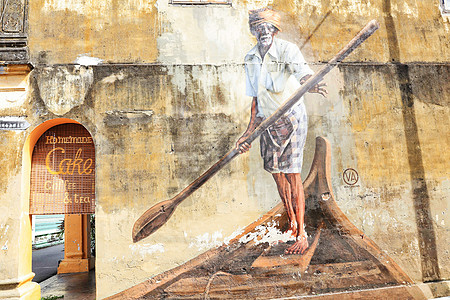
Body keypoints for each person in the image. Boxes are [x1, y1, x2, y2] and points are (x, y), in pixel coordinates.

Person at [236, 8, 327, 255]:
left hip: (291, 120)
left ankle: (302, 234)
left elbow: (304, 75)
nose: (263, 31)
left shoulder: (287, 50)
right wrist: (248, 132)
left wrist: (312, 84)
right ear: (253, 31)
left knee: (292, 174)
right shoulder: (251, 58)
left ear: (275, 30)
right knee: (277, 174)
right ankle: (292, 224)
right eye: (258, 28)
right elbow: (256, 99)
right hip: (267, 122)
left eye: (268, 27)